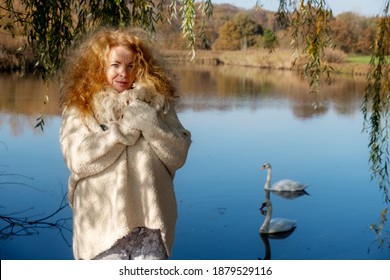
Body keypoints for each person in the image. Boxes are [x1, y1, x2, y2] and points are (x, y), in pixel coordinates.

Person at [59, 27, 191, 260]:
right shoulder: (80, 107)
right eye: (115, 65)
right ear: (98, 66)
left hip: (151, 226)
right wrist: (120, 133)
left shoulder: (157, 104)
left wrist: (150, 124)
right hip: (101, 228)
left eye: (131, 65)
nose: (124, 73)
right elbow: (77, 159)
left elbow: (178, 154)